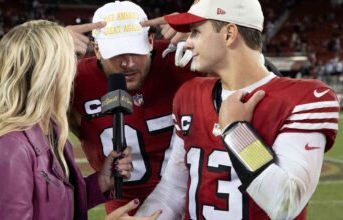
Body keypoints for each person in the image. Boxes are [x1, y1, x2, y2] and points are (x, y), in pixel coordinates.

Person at [136, 0, 340, 219]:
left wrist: (236, 130)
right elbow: (172, 190)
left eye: (196, 32)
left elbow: (285, 204)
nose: (188, 43)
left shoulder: (303, 99)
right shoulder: (189, 95)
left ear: (229, 34)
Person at [0, 20, 136, 220]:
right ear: (51, 75)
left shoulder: (50, 133)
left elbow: (57, 208)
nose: (74, 72)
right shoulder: (10, 150)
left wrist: (100, 183)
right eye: (69, 62)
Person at [68, 1, 198, 214]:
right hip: (124, 206)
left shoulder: (181, 59)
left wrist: (201, 35)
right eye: (117, 53)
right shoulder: (75, 79)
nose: (127, 63)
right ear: (98, 49)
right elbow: (22, 112)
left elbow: (253, 78)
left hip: (190, 197)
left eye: (135, 51)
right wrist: (48, 49)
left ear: (149, 39)